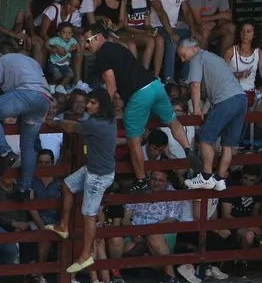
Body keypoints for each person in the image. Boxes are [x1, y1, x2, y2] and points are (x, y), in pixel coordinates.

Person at [84, 24, 197, 193]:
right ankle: (189, 151)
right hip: (155, 85)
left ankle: (141, 180)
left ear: (99, 37)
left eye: (87, 41)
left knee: (133, 140)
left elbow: (111, 85)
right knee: (173, 121)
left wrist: (102, 110)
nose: (86, 45)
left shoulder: (102, 55)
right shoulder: (119, 47)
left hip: (138, 95)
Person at [46, 90, 118, 283]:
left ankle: (86, 254)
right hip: (95, 170)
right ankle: (63, 226)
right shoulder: (110, 121)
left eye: (92, 103)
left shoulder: (94, 124)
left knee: (88, 214)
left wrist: (52, 121)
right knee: (68, 185)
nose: (88, 106)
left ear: (100, 105)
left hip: (98, 175)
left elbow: (71, 127)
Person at [0, 40, 53, 201]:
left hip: (26, 95)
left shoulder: (2, 60)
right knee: (28, 145)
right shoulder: (32, 61)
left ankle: (5, 151)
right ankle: (25, 188)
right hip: (43, 100)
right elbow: (46, 88)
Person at [178, 39, 247, 191]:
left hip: (226, 100)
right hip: (241, 99)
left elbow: (195, 85)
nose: (183, 59)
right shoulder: (215, 57)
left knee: (205, 139)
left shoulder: (197, 58)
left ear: (194, 49)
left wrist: (196, 109)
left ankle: (206, 176)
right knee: (228, 144)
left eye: (183, 55)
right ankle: (220, 179)